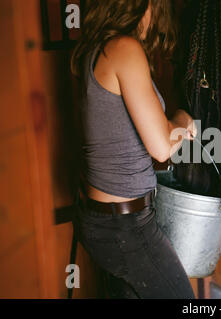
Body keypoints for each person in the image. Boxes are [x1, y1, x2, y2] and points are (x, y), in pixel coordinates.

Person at [70, 0, 196, 299]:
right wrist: (182, 118)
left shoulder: (95, 48)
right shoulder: (124, 48)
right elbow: (162, 148)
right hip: (124, 227)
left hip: (102, 217)